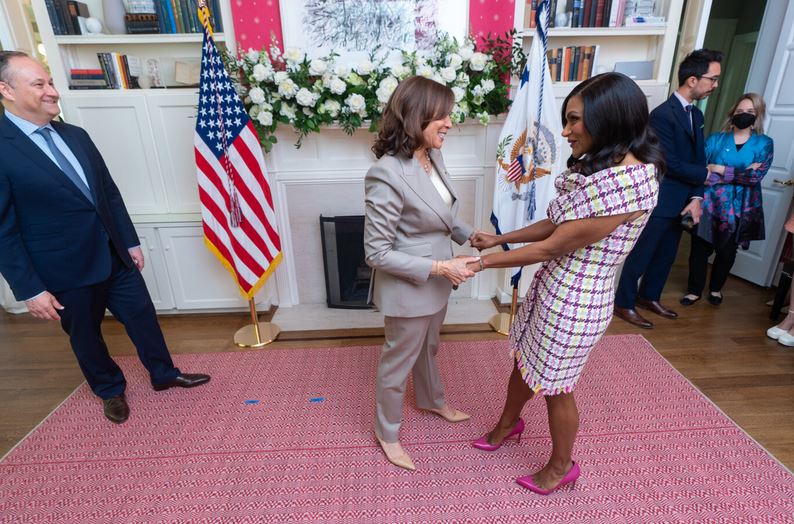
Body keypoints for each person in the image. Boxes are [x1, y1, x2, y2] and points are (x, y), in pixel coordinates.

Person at [467, 72, 662, 494]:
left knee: (558, 388)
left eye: (575, 120)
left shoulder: (628, 185)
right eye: (566, 118)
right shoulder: (602, 169)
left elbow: (550, 247)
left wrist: (481, 263)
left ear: (607, 119)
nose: (566, 130)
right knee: (524, 361)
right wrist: (499, 238)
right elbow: (557, 222)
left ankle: (561, 466)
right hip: (554, 291)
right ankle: (508, 423)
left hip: (577, 304)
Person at [0, 51, 209, 425]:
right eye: (40, 84)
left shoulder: (75, 135)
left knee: (143, 316)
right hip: (63, 268)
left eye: (50, 82)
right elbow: (4, 229)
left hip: (113, 252)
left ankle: (163, 374)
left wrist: (129, 241)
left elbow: (108, 193)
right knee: (87, 336)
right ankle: (110, 390)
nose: (52, 91)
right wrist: (29, 289)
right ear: (6, 90)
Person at [364, 75, 479, 471]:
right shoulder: (386, 174)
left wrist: (474, 236)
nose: (449, 123)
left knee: (429, 348)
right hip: (411, 287)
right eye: (441, 116)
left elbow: (440, 214)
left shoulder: (432, 155)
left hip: (439, 282)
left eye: (449, 114)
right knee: (397, 364)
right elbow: (376, 252)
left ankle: (432, 400)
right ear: (415, 117)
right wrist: (441, 267)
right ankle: (388, 431)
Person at [614, 49, 723, 328]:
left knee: (667, 253)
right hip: (661, 197)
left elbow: (699, 158)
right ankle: (623, 303)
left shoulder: (696, 115)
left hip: (685, 199)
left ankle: (649, 296)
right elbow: (670, 162)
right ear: (692, 80)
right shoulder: (662, 115)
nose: (715, 86)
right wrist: (706, 174)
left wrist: (697, 194)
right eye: (712, 79)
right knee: (643, 252)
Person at [681, 93, 773, 306]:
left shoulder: (764, 143)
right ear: (733, 113)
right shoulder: (715, 140)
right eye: (740, 111)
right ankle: (694, 290)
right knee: (699, 249)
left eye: (750, 112)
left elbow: (755, 177)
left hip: (741, 207)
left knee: (727, 251)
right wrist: (737, 173)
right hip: (710, 203)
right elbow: (701, 172)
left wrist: (720, 169)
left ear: (757, 115)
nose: (744, 115)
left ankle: (715, 289)